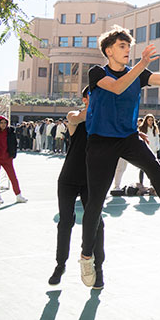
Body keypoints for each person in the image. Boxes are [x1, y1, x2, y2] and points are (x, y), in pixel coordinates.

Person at [78, 25, 160, 288]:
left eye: (128, 47)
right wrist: (142, 62)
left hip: (128, 138)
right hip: (100, 142)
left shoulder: (138, 74)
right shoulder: (97, 72)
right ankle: (87, 256)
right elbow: (118, 87)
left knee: (156, 170)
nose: (126, 51)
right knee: (96, 203)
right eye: (122, 47)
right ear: (109, 50)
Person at [49, 87, 106, 288]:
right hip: (68, 178)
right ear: (85, 99)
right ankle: (60, 265)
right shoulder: (75, 116)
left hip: (91, 180)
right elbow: (76, 118)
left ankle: (98, 269)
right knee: (66, 221)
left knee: (97, 223)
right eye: (94, 96)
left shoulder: (104, 122)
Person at [0, 115, 27, 204]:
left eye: (5, 123)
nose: (3, 124)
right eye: (1, 123)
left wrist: (13, 154)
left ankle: (18, 195)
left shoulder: (11, 131)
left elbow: (14, 144)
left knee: (13, 177)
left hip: (7, 158)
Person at [138, 114, 160, 189]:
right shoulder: (142, 128)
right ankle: (141, 184)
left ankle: (152, 184)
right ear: (146, 120)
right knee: (143, 168)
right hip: (144, 151)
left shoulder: (155, 129)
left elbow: (157, 139)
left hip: (154, 151)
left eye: (152, 120)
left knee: (153, 168)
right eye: (149, 120)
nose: (150, 121)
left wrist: (157, 147)